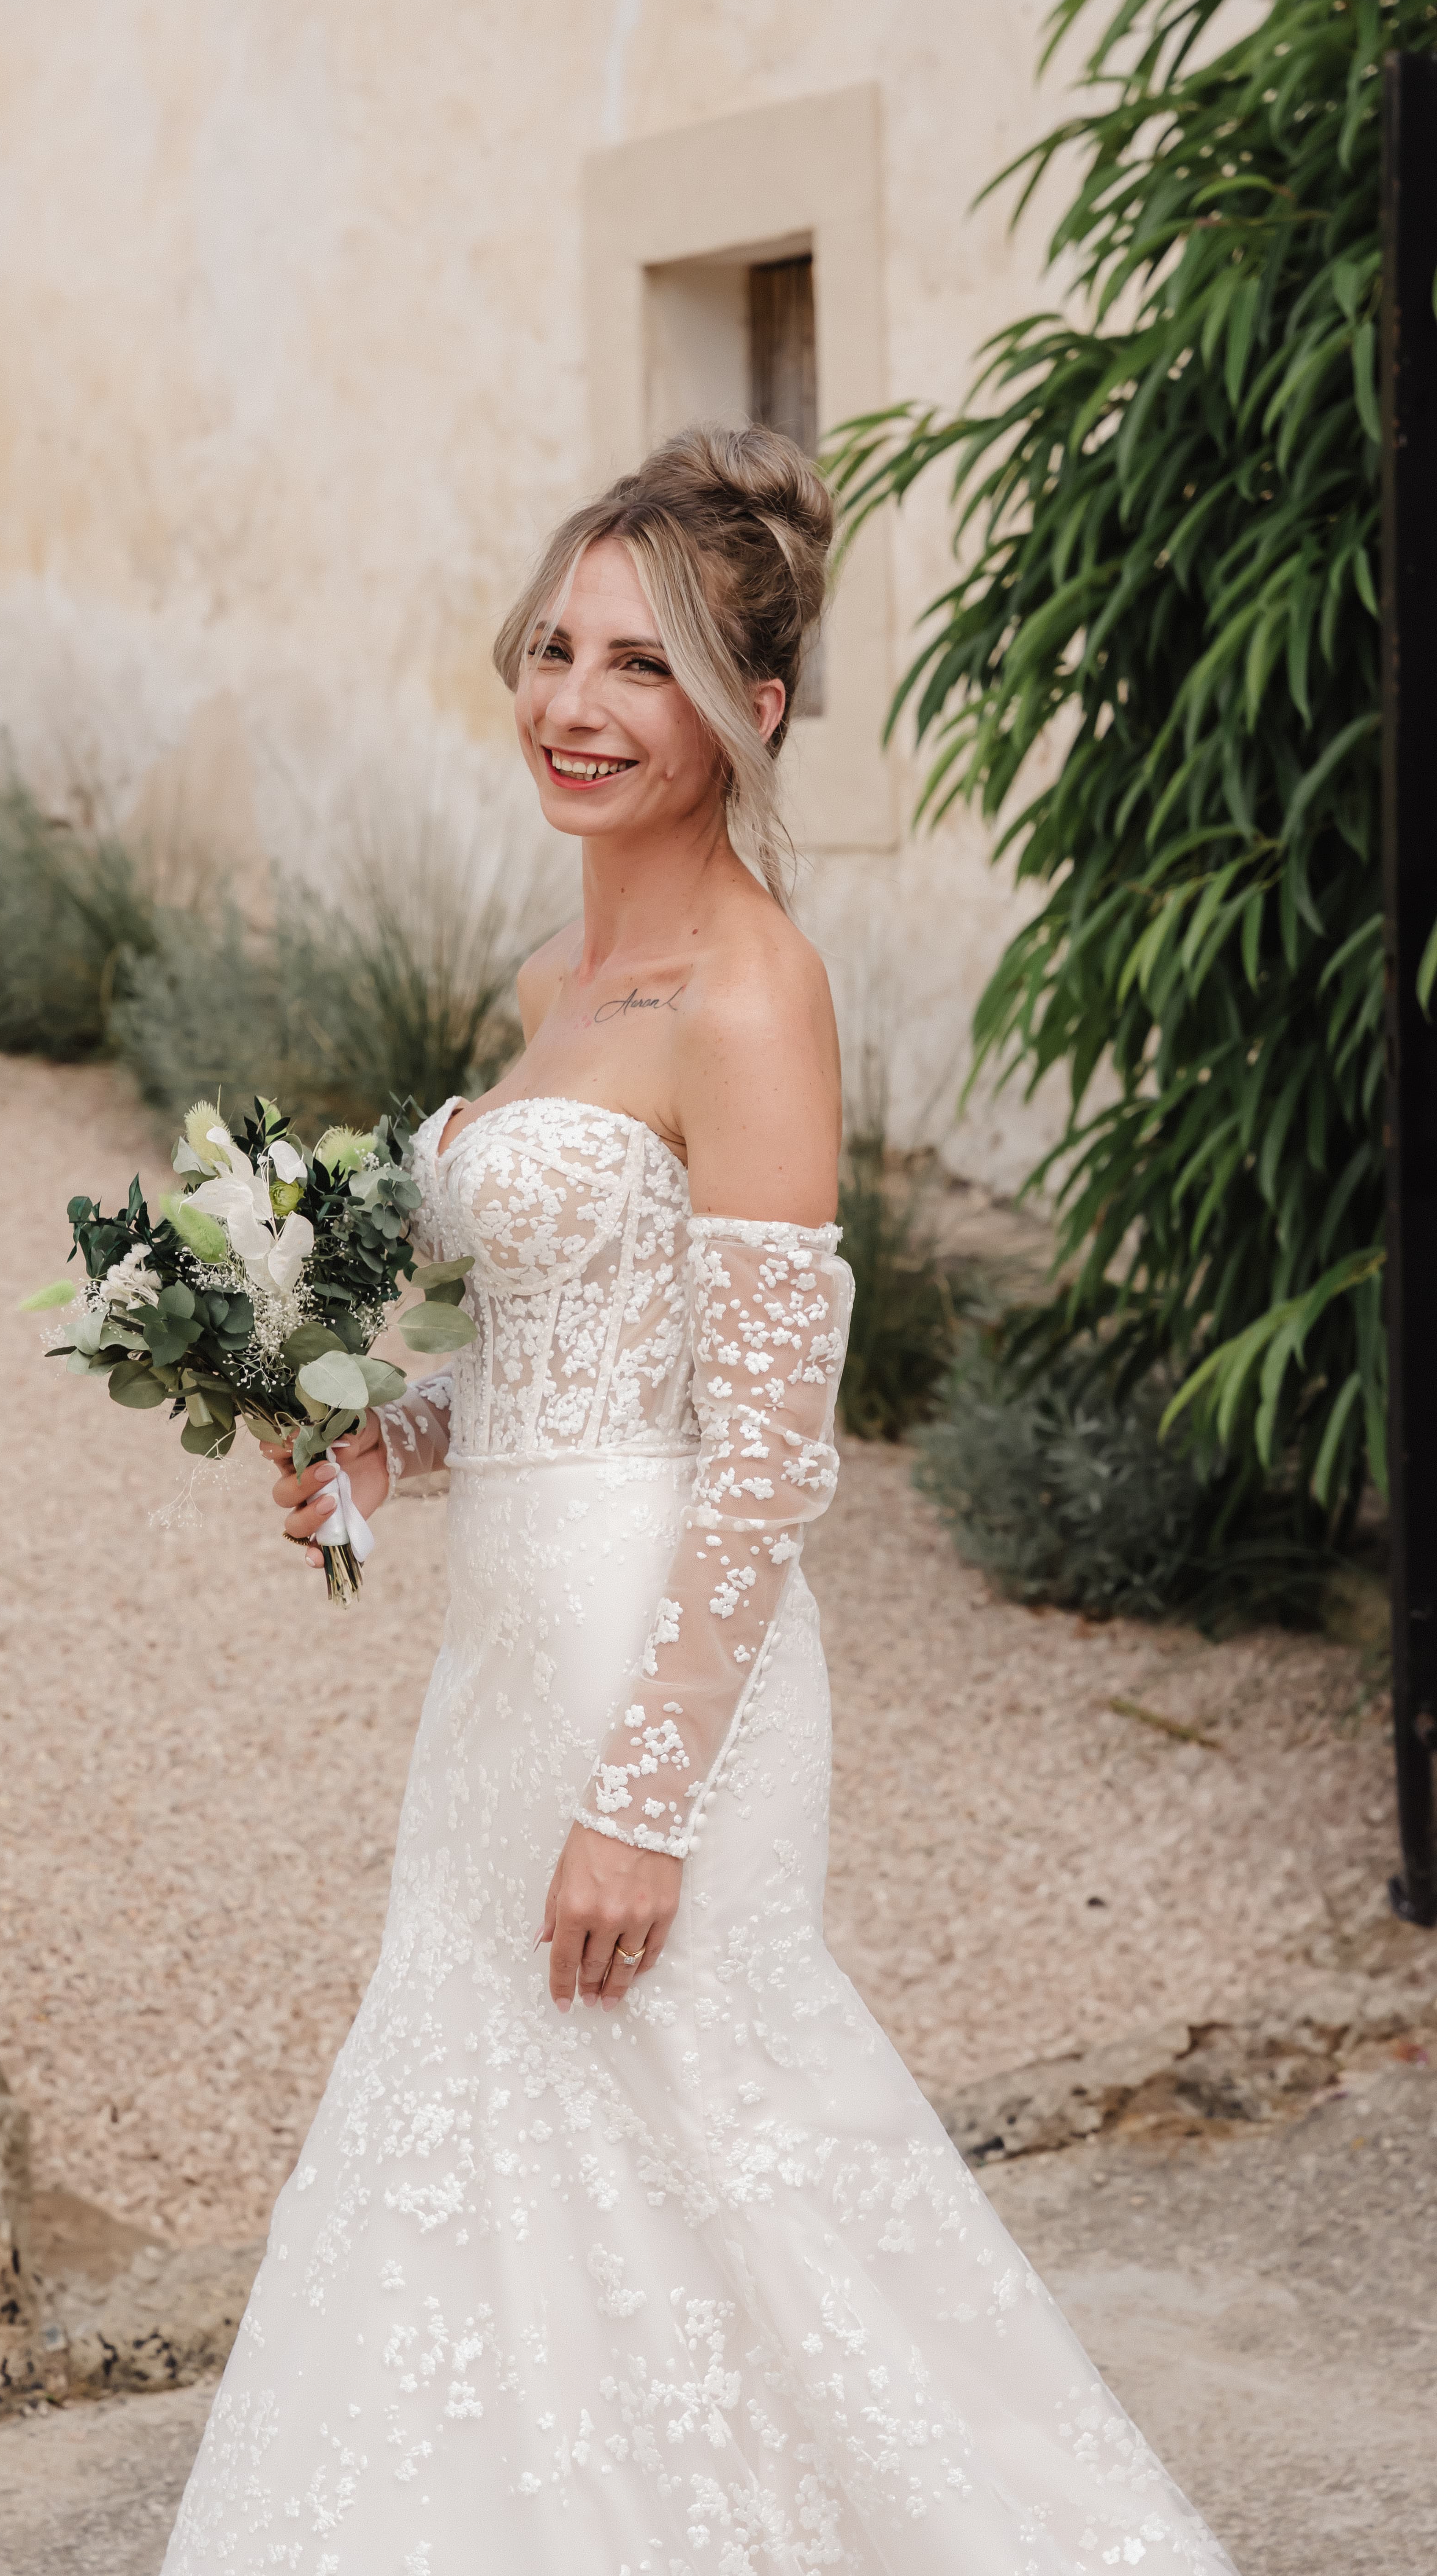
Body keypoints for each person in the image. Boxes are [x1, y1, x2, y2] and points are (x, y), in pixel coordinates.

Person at [162, 427, 1234, 2573]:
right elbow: (570, 1357)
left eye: (640, 666)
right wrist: (387, 1440)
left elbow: (762, 1450)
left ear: (750, 709)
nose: (576, 703)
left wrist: (643, 1803)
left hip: (664, 1679)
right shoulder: (556, 987)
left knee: (739, 2164)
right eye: (555, 649)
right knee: (516, 2166)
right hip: (506, 1673)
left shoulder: (754, 990)